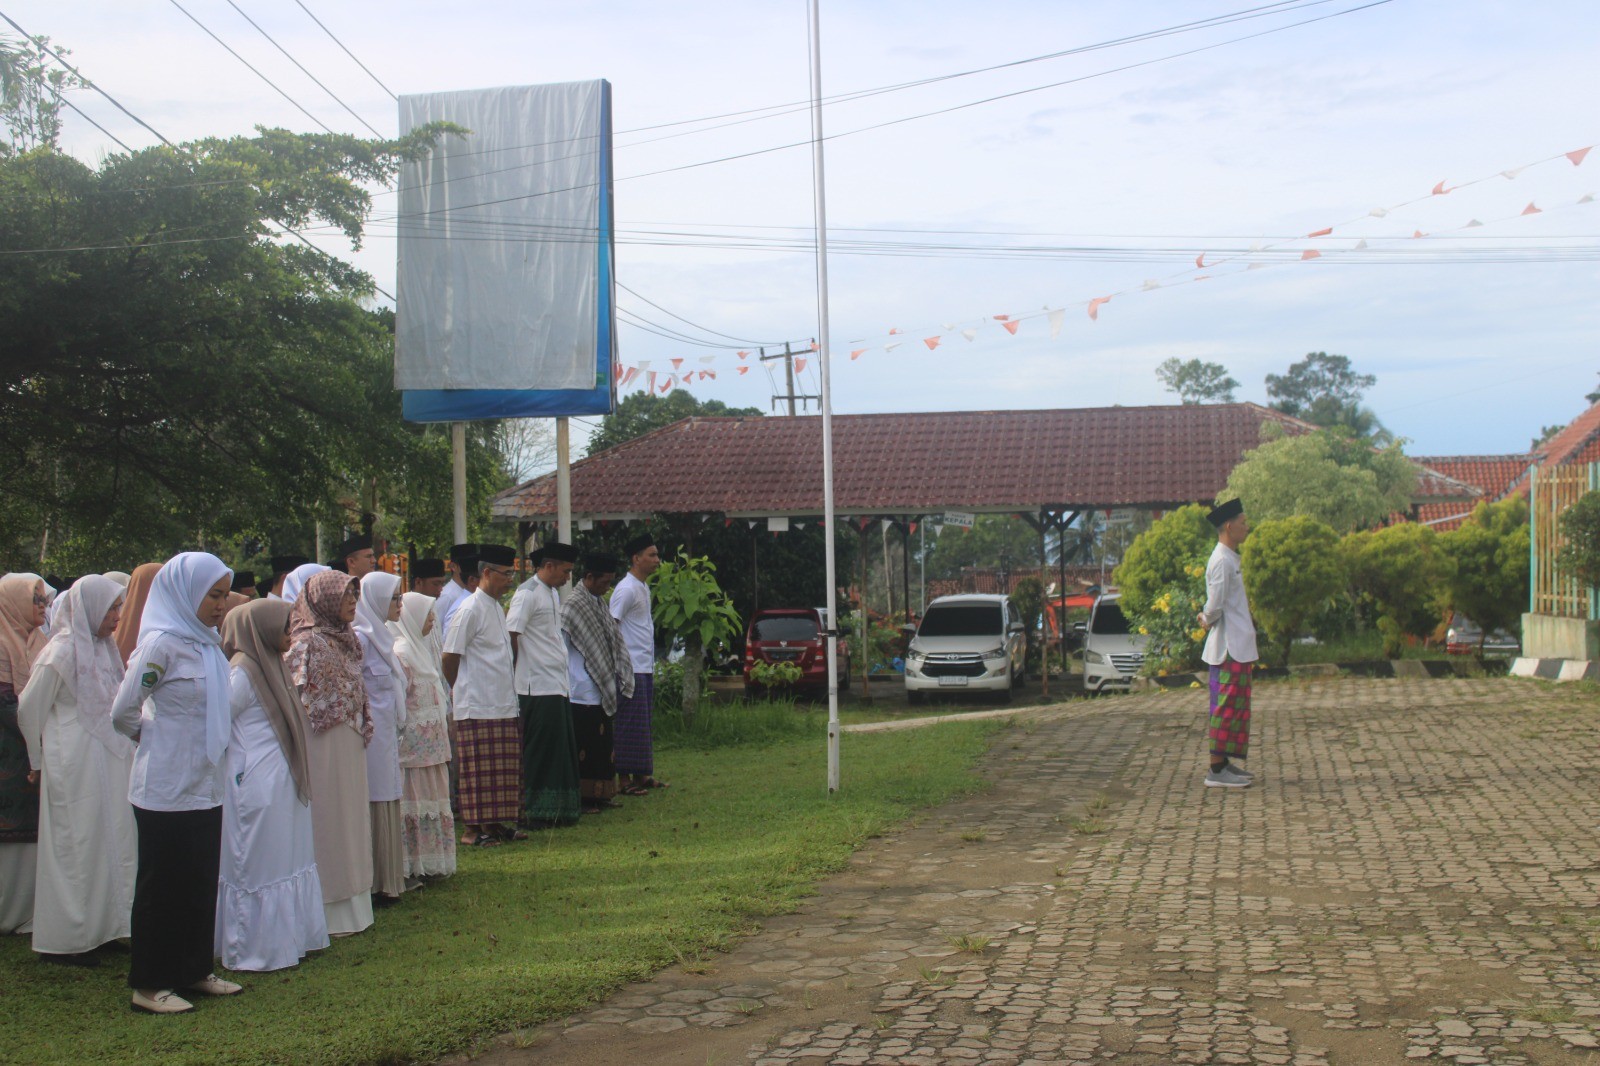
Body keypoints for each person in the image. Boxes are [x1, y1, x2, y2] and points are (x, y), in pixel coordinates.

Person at [111, 552, 243, 1015]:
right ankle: (149, 983)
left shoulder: (206, 643)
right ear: (186, 592)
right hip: (165, 788)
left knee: (199, 880)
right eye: (213, 595)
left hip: (205, 785)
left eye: (224, 595)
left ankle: (193, 969)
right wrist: (154, 740)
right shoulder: (161, 645)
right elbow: (123, 710)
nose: (220, 605)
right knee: (161, 886)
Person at [18, 576, 135, 963]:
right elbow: (29, 709)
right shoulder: (61, 652)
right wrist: (36, 761)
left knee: (108, 842)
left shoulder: (103, 649)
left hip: (106, 760)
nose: (116, 616)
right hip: (72, 761)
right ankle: (69, 940)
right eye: (110, 608)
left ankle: (106, 928)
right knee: (75, 845)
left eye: (119, 607)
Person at [216, 599, 328, 972]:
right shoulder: (243, 672)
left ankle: (290, 939)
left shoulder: (270, 664)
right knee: (259, 864)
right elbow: (218, 725)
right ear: (261, 630)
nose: (289, 634)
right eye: (284, 627)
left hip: (280, 777)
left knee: (286, 858)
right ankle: (255, 947)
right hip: (257, 781)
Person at [285, 570, 374, 936]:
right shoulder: (305, 644)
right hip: (321, 746)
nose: (352, 601)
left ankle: (354, 904)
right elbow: (294, 700)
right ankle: (326, 908)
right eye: (344, 595)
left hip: (348, 744)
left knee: (351, 819)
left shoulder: (347, 639)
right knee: (329, 820)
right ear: (324, 600)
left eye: (355, 594)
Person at [442, 544, 521, 846]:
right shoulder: (469, 609)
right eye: (506, 574)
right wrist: (458, 690)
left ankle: (495, 823)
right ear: (486, 573)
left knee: (499, 772)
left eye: (512, 573)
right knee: (477, 772)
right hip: (476, 704)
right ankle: (472, 831)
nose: (510, 580)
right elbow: (450, 657)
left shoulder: (496, 608)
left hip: (501, 702)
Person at [507, 545, 581, 827]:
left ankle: (559, 809)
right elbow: (513, 632)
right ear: (549, 566)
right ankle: (533, 811)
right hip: (535, 685)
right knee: (539, 750)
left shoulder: (550, 593)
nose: (567, 578)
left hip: (556, 683)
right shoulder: (526, 594)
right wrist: (515, 671)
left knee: (558, 748)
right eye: (565, 571)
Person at [389, 593, 456, 881]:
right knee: (415, 802)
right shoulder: (403, 652)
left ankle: (432, 862)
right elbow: (400, 702)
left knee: (432, 797)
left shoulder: (420, 650)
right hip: (413, 749)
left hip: (432, 748)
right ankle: (413, 864)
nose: (432, 621)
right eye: (427, 615)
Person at [562, 554, 634, 815]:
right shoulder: (573, 605)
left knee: (603, 745)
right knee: (585, 745)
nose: (607, 587)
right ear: (589, 577)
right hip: (580, 687)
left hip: (601, 686)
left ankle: (603, 794)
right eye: (604, 582)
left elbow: (611, 639)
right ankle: (584, 799)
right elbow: (564, 646)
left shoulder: (599, 603)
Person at [1197, 498, 1258, 790]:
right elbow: (1216, 602)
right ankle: (1215, 770)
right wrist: (1206, 617)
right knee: (1224, 706)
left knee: (1235, 706)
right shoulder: (1221, 560)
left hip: (1238, 644)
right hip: (1227, 647)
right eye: (1243, 523)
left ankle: (1223, 764)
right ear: (1230, 527)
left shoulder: (1231, 557)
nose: (1247, 527)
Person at [0, 572, 49, 935]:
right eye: (35, 599)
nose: (42, 606)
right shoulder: (2, 641)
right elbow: (5, 704)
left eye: (44, 599)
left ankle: (27, 912)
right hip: (9, 749)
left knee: (34, 830)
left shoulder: (39, 640)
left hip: (35, 747)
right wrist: (36, 735)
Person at [354, 571, 407, 905]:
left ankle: (390, 879)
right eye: (394, 598)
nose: (399, 604)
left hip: (388, 734)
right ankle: (374, 883)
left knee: (388, 794)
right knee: (374, 797)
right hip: (370, 736)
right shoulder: (361, 638)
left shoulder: (383, 636)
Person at [610, 533, 666, 793]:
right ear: (636, 559)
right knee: (629, 723)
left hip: (644, 665)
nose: (657, 559)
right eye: (651, 555)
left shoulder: (642, 586)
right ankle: (624, 780)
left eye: (656, 554)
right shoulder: (626, 589)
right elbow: (612, 626)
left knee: (642, 722)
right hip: (629, 666)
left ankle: (642, 775)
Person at [434, 543, 479, 637]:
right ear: (453, 566)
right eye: (466, 562)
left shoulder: (474, 592)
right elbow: (436, 630)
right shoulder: (447, 596)